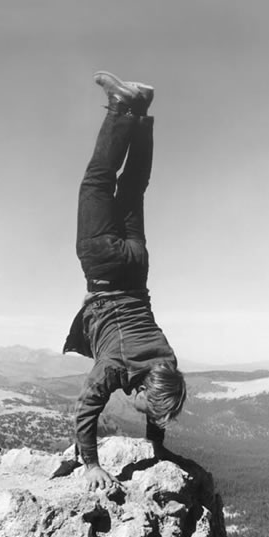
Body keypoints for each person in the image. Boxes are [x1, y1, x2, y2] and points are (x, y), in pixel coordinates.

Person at [62, 71, 187, 491]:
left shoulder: (166, 361)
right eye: (143, 407)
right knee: (98, 179)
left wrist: (158, 445)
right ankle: (120, 105)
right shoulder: (115, 365)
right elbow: (86, 409)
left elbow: (159, 399)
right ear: (143, 390)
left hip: (136, 267)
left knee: (134, 188)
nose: (138, 409)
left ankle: (141, 110)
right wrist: (92, 465)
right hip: (103, 267)